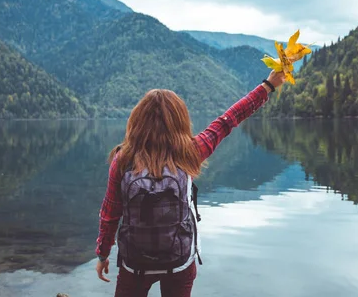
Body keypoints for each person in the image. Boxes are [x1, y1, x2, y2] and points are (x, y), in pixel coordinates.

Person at [95, 70, 286, 296]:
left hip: (134, 263)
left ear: (136, 122)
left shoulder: (122, 159)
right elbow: (228, 120)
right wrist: (268, 86)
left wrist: (102, 254)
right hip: (179, 261)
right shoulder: (190, 153)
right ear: (180, 121)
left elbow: (110, 214)